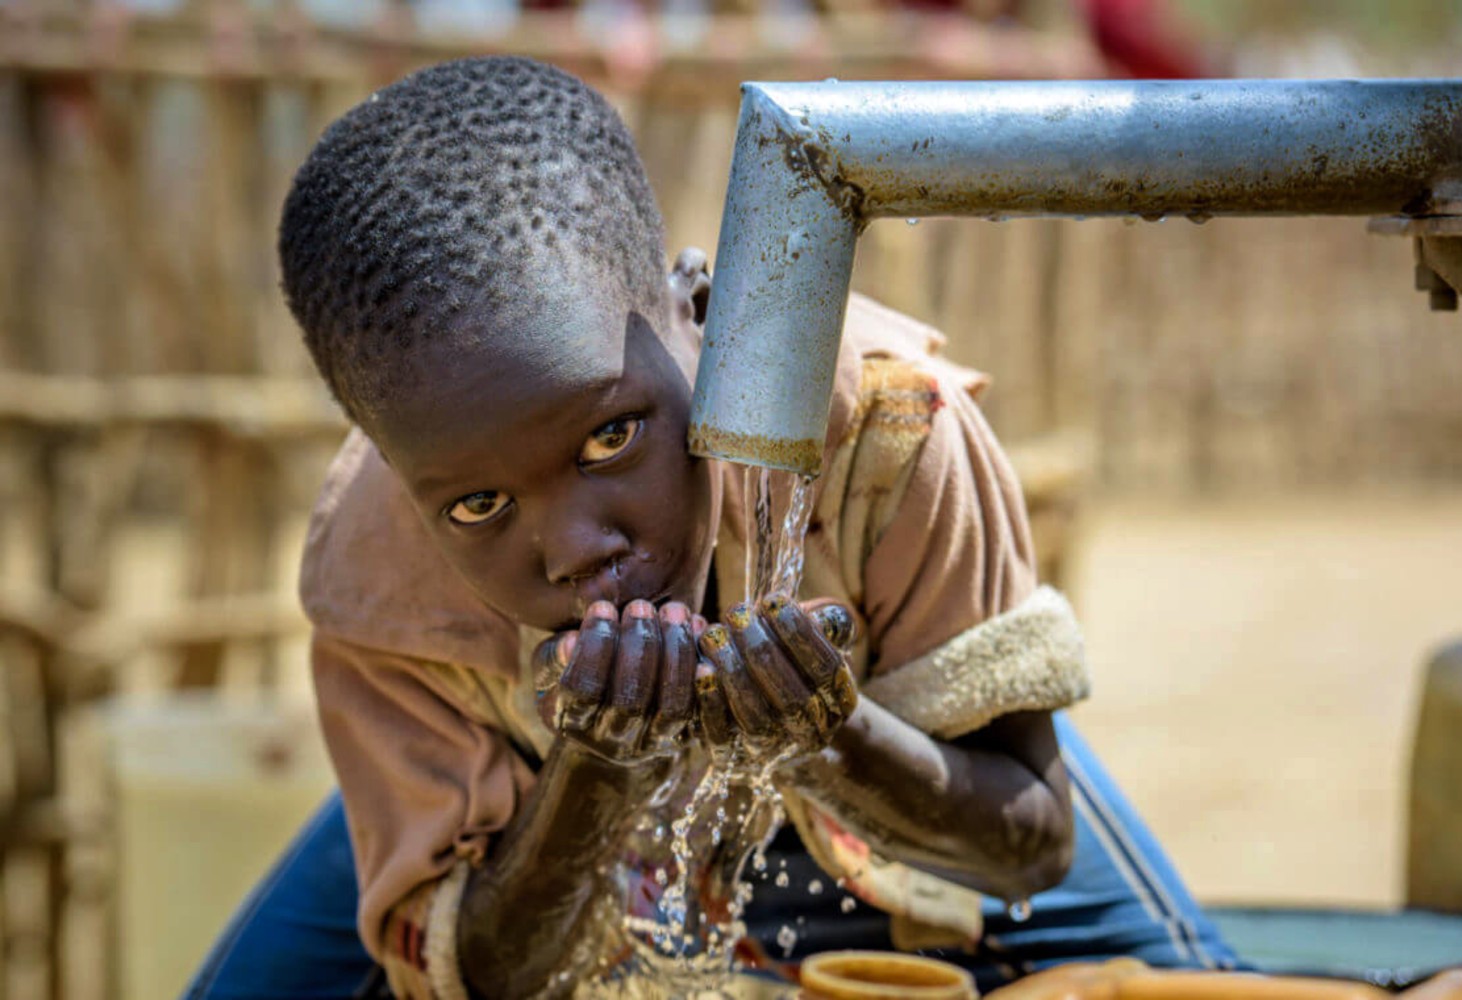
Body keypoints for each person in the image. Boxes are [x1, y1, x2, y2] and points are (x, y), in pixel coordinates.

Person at [186, 56, 1239, 1000]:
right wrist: (597, 772)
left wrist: (825, 735)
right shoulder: (384, 586)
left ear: (699, 313)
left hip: (916, 743)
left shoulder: (880, 434)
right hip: (503, 804)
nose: (574, 550)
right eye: (476, 506)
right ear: (390, 462)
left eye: (609, 437)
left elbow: (1031, 845)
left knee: (1202, 989)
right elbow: (488, 972)